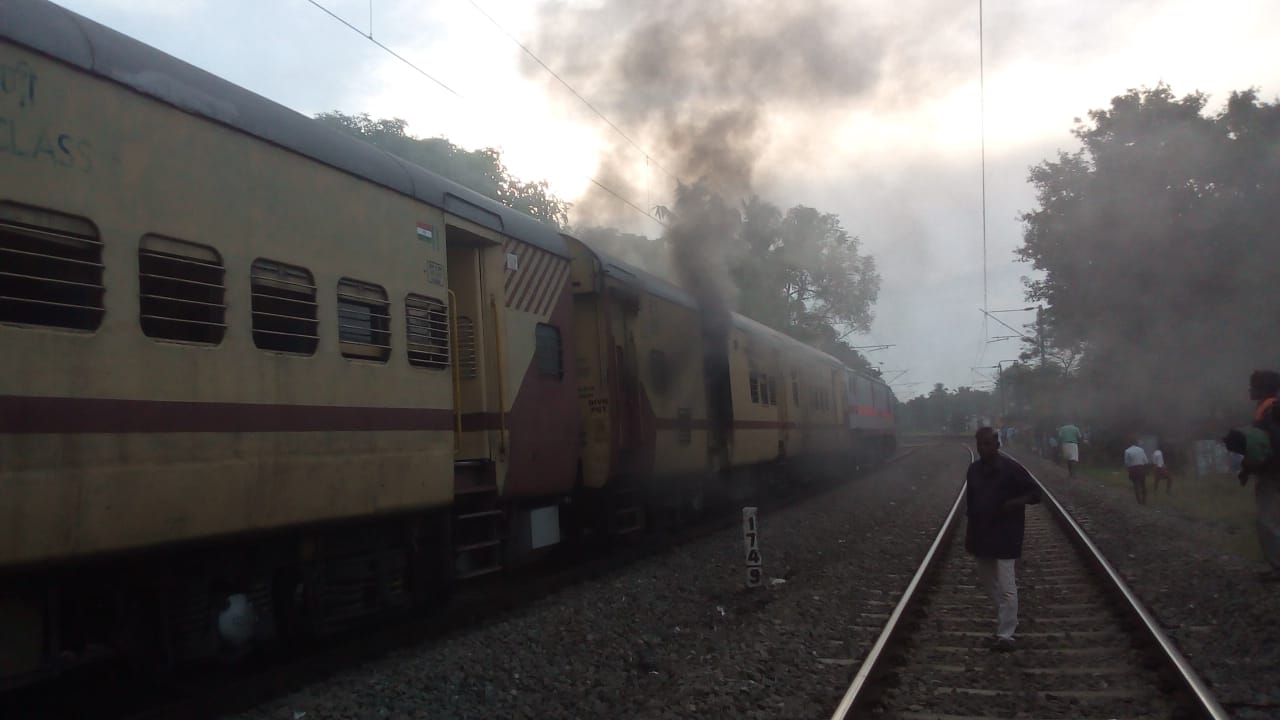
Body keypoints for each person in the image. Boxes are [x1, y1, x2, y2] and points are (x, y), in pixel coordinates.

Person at [964, 427, 1042, 651]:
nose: (983, 448)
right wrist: (969, 535)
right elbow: (971, 504)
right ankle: (1006, 614)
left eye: (988, 443)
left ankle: (1006, 634)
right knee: (988, 582)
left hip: (1007, 533)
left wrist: (1015, 503)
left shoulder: (1011, 469)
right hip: (982, 533)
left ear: (997, 445)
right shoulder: (973, 471)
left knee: (1007, 584)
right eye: (980, 444)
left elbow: (1035, 494)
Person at [1240, 370, 1280, 581]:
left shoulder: (1266, 411)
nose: (1250, 390)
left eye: (1253, 386)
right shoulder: (1272, 407)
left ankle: (1277, 567)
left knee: (1266, 520)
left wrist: (1249, 466)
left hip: (1271, 473)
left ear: (1263, 389)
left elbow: (1261, 446)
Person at [1123, 439, 1150, 505]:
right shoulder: (1141, 449)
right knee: (1143, 485)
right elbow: (1146, 461)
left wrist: (1129, 468)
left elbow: (1127, 463)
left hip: (1133, 470)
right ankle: (1144, 501)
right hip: (1141, 468)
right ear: (1136, 443)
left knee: (1136, 486)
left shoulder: (1127, 451)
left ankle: (1139, 502)